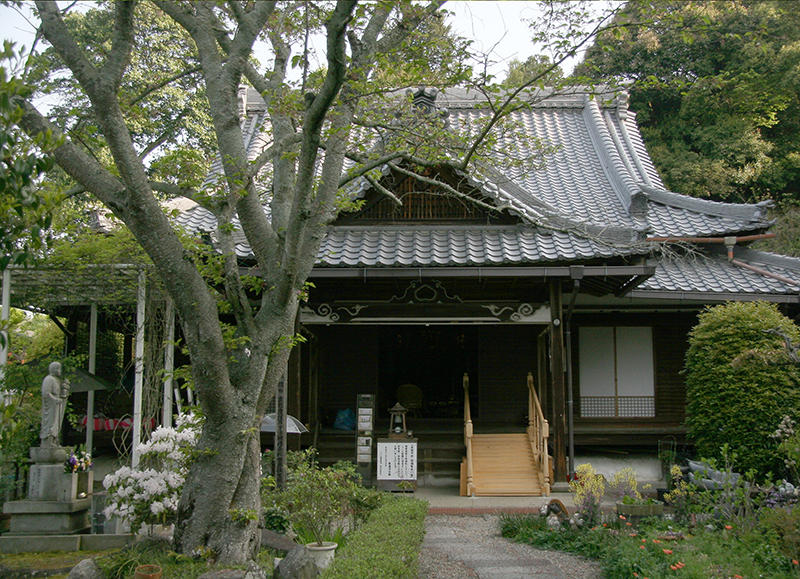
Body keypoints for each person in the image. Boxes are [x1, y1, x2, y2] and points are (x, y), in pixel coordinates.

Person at [40, 361, 69, 447]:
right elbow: (46, 393)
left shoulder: (57, 380)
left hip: (56, 404)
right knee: (51, 422)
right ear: (53, 369)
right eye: (58, 368)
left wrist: (65, 386)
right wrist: (55, 399)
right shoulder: (49, 379)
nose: (60, 370)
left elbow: (60, 392)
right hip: (51, 404)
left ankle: (55, 440)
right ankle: (48, 441)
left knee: (57, 422)